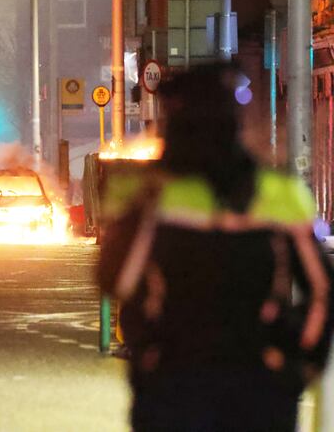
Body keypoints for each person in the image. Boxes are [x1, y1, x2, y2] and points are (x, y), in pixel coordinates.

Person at [98, 63, 334, 432]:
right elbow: (321, 291)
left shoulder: (147, 193)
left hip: (173, 378)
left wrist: (146, 358)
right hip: (258, 380)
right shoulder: (280, 193)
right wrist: (297, 365)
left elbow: (116, 282)